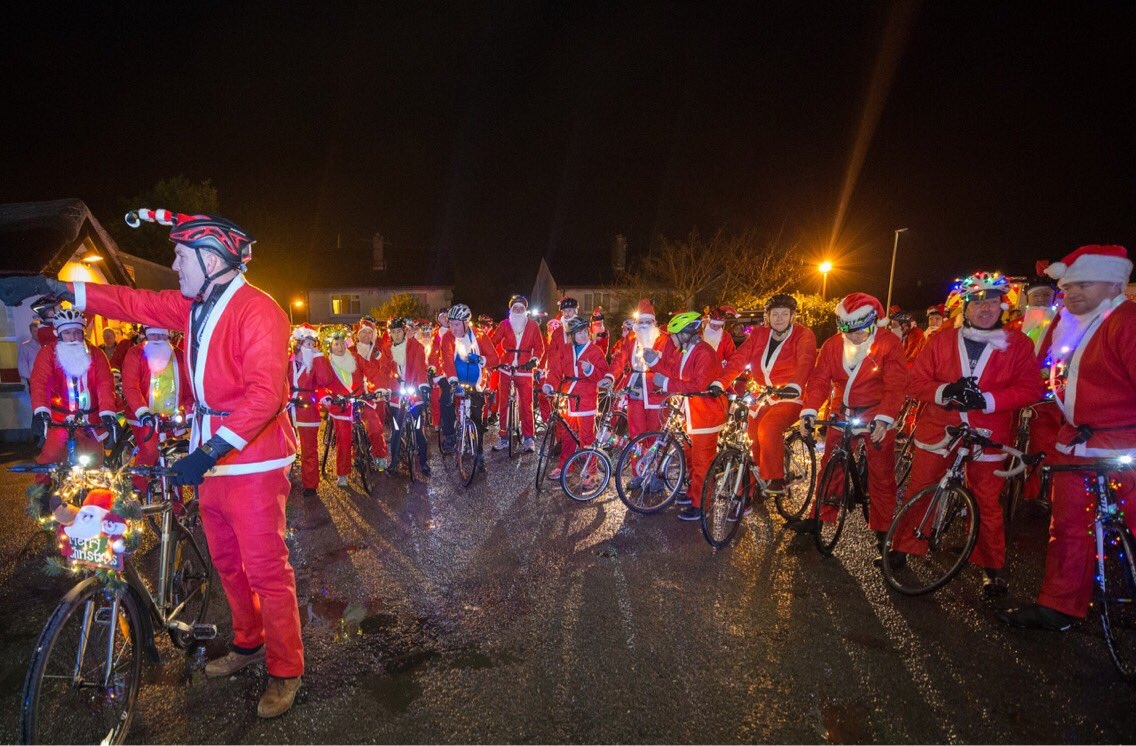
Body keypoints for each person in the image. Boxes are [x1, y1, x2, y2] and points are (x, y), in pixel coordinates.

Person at [0, 208, 304, 718]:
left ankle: (285, 668)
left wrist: (207, 451)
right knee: (228, 563)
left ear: (213, 259)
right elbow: (132, 301)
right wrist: (58, 286)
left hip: (251, 461)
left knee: (267, 570)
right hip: (210, 455)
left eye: (182, 256)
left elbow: (265, 395)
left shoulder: (260, 310)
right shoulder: (193, 306)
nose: (175, 264)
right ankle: (248, 644)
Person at [1000, 245, 1136, 630]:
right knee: (1068, 528)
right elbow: (1046, 384)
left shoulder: (1127, 322)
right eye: (1069, 287)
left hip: (1124, 446)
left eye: (1084, 285)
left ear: (1114, 282)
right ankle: (1059, 605)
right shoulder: (1064, 324)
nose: (1072, 294)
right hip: (1073, 445)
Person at [891, 272, 1043, 590]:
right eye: (978, 302)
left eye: (992, 301)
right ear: (966, 307)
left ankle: (992, 565)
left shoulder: (1019, 344)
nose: (985, 308)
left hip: (988, 433)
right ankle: (904, 545)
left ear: (1002, 305)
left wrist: (987, 399)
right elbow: (915, 382)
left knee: (987, 501)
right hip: (939, 428)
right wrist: (946, 391)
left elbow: (1031, 389)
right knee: (921, 487)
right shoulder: (941, 340)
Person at [794, 293, 908, 566]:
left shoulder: (888, 344)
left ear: (872, 323)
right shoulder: (833, 345)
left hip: (875, 412)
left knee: (881, 473)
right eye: (847, 330)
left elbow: (895, 385)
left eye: (858, 330)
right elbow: (820, 379)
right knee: (829, 466)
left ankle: (883, 531)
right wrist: (809, 410)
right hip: (841, 409)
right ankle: (819, 516)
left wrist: (884, 419)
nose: (853, 336)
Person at [710, 294, 817, 502]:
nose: (779, 318)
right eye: (774, 314)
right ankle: (758, 479)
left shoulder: (804, 335)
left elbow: (806, 360)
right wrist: (720, 382)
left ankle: (776, 478)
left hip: (790, 396)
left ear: (792, 316)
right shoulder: (759, 334)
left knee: (769, 427)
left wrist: (795, 385)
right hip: (763, 395)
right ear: (767, 316)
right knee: (751, 436)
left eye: (784, 314)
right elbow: (739, 359)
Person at [649, 311, 727, 521]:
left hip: (706, 416)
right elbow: (674, 371)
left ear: (686, 333)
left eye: (673, 335)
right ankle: (694, 493)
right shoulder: (687, 350)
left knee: (702, 462)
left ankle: (701, 503)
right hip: (693, 414)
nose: (670, 340)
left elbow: (698, 385)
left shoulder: (704, 353)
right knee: (692, 459)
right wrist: (654, 364)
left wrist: (665, 383)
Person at [29, 309, 120, 482]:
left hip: (90, 421)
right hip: (59, 419)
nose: (73, 337)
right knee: (49, 459)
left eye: (77, 332)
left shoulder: (97, 354)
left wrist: (108, 412)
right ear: (59, 333)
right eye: (68, 332)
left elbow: (105, 384)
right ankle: (40, 498)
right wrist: (41, 411)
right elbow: (40, 382)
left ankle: (94, 505)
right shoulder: (48, 354)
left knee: (96, 468)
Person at [120, 326, 193, 493]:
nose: (157, 338)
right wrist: (142, 411)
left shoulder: (179, 356)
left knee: (174, 460)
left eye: (161, 333)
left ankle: (176, 503)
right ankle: (138, 490)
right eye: (153, 334)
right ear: (146, 333)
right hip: (145, 418)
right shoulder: (135, 354)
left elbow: (189, 390)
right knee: (150, 450)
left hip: (172, 419)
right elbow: (131, 386)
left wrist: (188, 412)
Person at [542, 316, 609, 479]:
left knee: (587, 437)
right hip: (567, 397)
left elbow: (603, 374)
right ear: (571, 335)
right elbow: (556, 370)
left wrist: (590, 369)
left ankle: (591, 471)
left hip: (586, 397)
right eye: (579, 333)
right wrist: (549, 385)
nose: (583, 335)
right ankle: (566, 466)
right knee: (566, 435)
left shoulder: (595, 351)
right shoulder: (565, 350)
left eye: (585, 332)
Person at [322, 326, 388, 485]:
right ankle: (343, 473)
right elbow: (321, 383)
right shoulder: (326, 364)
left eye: (341, 343)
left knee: (374, 426)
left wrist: (379, 388)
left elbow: (372, 372)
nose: (339, 347)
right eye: (335, 344)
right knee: (343, 438)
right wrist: (327, 396)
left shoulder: (356, 358)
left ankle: (380, 456)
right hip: (341, 404)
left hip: (361, 398)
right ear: (330, 347)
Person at [438, 304, 500, 461]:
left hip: (475, 382)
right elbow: (447, 361)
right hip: (454, 379)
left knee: (477, 418)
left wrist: (481, 359)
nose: (453, 327)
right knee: (445, 399)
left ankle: (478, 452)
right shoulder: (447, 337)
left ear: (467, 323)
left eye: (457, 324)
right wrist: (453, 382)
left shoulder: (479, 336)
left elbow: (495, 358)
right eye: (451, 324)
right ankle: (450, 435)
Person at [601, 299, 669, 438]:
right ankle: (636, 459)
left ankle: (653, 459)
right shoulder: (631, 338)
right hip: (635, 389)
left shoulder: (664, 339)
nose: (644, 326)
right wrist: (610, 376)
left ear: (654, 323)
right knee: (636, 432)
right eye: (641, 322)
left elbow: (671, 364)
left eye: (647, 322)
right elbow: (620, 359)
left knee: (655, 432)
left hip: (656, 390)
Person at [491, 294, 544, 453]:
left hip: (525, 367)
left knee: (526, 404)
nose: (519, 310)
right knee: (504, 403)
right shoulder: (504, 324)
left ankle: (528, 438)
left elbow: (540, 347)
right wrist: (493, 360)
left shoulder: (533, 325)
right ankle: (503, 437)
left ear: (525, 310)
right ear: (511, 310)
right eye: (516, 308)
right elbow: (492, 342)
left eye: (522, 308)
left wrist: (534, 360)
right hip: (506, 366)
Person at [386, 317, 431, 476]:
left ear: (404, 331)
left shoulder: (415, 346)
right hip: (397, 395)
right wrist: (388, 387)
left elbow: (420, 367)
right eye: (393, 332)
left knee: (419, 428)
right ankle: (394, 462)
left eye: (399, 331)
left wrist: (422, 386)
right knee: (396, 430)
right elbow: (385, 371)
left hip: (414, 392)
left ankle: (424, 462)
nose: (396, 335)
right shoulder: (387, 350)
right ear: (390, 334)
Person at [288, 324, 326, 496]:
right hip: (288, 408)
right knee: (284, 446)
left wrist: (318, 357)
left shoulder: (315, 363)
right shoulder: (288, 360)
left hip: (308, 410)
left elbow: (324, 380)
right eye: (308, 344)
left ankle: (310, 484)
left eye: (313, 344)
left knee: (309, 449)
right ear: (299, 344)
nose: (311, 347)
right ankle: (284, 479)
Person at [17, 319, 41, 392]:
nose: (37, 333)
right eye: (35, 331)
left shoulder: (47, 345)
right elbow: (22, 364)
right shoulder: (25, 346)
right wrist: (30, 380)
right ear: (31, 332)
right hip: (34, 380)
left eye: (39, 331)